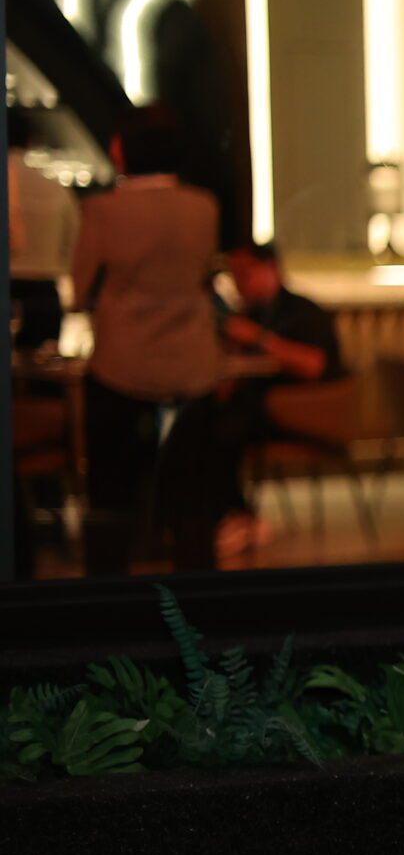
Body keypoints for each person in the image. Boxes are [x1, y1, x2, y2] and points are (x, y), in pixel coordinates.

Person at [71, 106, 221, 573]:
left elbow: (79, 289)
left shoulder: (102, 210)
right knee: (192, 504)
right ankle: (197, 604)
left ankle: (109, 601)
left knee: (112, 499)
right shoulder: (204, 207)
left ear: (123, 149)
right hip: (193, 368)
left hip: (122, 368)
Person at [207, 243, 347, 559]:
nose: (239, 283)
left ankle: (238, 516)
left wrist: (258, 339)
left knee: (226, 427)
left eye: (245, 273)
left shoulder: (303, 313)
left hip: (308, 415)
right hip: (262, 411)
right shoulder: (251, 314)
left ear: (271, 269)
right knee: (208, 421)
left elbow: (315, 365)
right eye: (234, 275)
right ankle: (224, 514)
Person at [8, 108, 80, 351]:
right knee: (41, 368)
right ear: (30, 141)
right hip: (43, 293)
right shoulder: (54, 187)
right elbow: (74, 239)